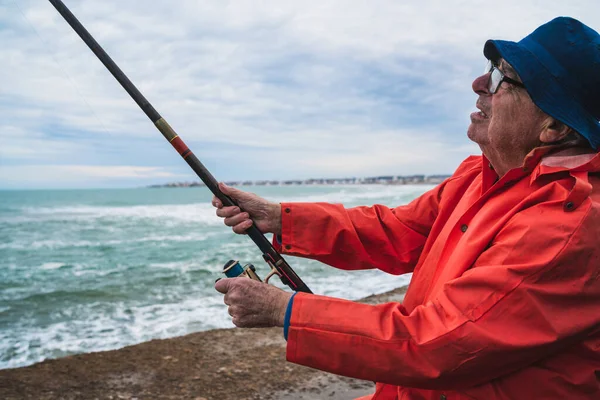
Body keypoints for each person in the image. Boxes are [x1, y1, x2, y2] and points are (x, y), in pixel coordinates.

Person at [213, 16, 600, 400]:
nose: (479, 84)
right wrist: (281, 217)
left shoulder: (569, 223)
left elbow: (439, 342)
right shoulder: (481, 175)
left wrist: (287, 310)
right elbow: (399, 231)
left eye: (503, 77)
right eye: (490, 69)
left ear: (554, 127)